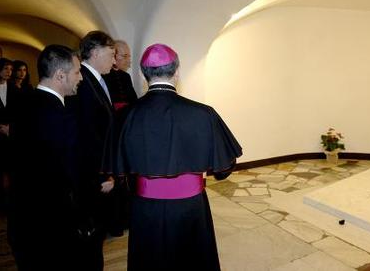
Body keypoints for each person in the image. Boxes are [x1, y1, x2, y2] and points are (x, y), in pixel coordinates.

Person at [118, 44, 242, 271]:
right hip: (189, 207)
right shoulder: (203, 113)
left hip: (146, 208)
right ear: (176, 72)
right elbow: (224, 169)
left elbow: (118, 166)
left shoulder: (126, 115)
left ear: (144, 75)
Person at [7, 45, 83, 270]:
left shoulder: (23, 101)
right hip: (50, 223)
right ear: (61, 75)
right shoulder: (60, 115)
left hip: (22, 215)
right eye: (77, 72)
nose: (81, 78)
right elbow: (67, 171)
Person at [66, 30, 117, 270]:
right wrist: (102, 175)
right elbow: (87, 136)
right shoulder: (84, 82)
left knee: (96, 240)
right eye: (112, 54)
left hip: (96, 171)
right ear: (95, 52)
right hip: (92, 176)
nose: (115, 60)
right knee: (90, 241)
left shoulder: (96, 78)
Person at [102, 40, 137, 236]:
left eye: (129, 56)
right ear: (114, 57)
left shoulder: (125, 77)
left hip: (127, 135)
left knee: (128, 179)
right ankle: (114, 222)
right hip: (112, 136)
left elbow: (132, 102)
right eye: (125, 56)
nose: (128, 60)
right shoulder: (103, 78)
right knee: (114, 179)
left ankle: (127, 218)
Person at [0, 58, 17, 216]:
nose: (8, 72)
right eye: (5, 68)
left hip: (11, 135)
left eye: (10, 69)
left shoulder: (13, 88)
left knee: (10, 172)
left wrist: (11, 127)